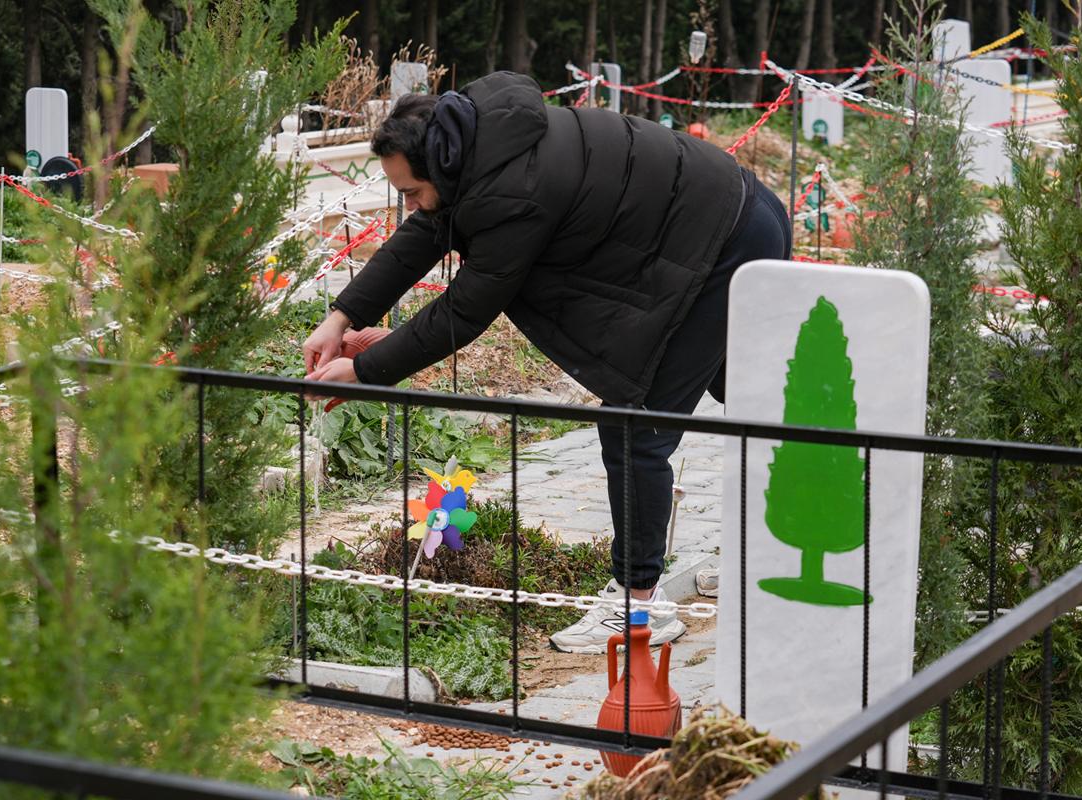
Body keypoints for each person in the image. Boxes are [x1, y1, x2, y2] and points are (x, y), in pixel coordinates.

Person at [304, 71, 791, 654]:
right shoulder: (476, 142)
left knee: (636, 426)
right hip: (730, 216)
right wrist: (341, 317)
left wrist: (364, 371)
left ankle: (639, 606)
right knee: (750, 401)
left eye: (411, 190)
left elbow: (466, 308)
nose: (410, 204)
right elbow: (425, 234)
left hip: (723, 244)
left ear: (443, 164)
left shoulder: (513, 192)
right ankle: (773, 558)